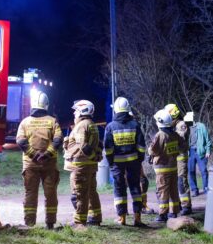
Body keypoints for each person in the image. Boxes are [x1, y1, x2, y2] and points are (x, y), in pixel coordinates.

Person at [16, 91, 63, 229]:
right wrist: (47, 154)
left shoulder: (25, 122)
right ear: (46, 105)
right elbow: (58, 139)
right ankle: (50, 224)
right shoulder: (52, 121)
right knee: (51, 194)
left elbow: (20, 141)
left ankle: (30, 224)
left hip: (31, 164)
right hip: (49, 165)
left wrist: (34, 155)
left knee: (30, 194)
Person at [104, 97, 146, 226]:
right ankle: (137, 218)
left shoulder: (111, 126)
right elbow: (141, 145)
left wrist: (111, 161)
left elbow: (108, 148)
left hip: (117, 163)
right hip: (133, 161)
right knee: (135, 188)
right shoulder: (135, 124)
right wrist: (140, 158)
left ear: (116, 110)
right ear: (128, 109)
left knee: (119, 189)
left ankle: (122, 218)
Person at [63, 100, 102, 227]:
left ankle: (79, 222)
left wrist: (93, 156)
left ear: (82, 111)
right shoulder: (92, 124)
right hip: (89, 165)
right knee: (91, 192)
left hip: (81, 166)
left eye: (76, 110)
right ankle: (95, 217)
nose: (74, 113)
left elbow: (83, 146)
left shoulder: (81, 125)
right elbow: (99, 144)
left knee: (79, 193)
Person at [149, 109, 184, 222]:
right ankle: (174, 212)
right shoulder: (174, 134)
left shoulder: (160, 135)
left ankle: (163, 214)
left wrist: (149, 150)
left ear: (160, 121)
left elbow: (153, 150)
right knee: (173, 190)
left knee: (162, 191)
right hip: (173, 167)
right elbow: (182, 146)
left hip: (162, 169)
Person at [164, 104, 192, 214]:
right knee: (175, 182)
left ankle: (186, 206)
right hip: (173, 158)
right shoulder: (173, 126)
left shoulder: (181, 125)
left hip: (180, 158)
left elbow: (179, 140)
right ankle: (178, 205)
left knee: (182, 181)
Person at [185, 112, 212, 196]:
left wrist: (208, 151)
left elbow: (208, 140)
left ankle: (205, 188)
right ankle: (194, 190)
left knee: (203, 171)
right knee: (191, 171)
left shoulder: (201, 126)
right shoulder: (185, 128)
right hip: (191, 152)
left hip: (201, 152)